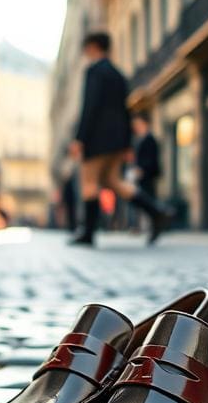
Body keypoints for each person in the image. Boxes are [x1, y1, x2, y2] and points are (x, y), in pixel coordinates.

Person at [69, 32, 168, 246]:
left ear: (93, 47)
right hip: (116, 140)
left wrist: (80, 138)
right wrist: (126, 142)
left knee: (89, 182)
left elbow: (90, 106)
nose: (85, 53)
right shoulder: (118, 75)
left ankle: (88, 234)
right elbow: (126, 111)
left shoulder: (94, 71)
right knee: (113, 181)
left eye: (86, 48)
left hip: (97, 138)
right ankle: (156, 211)